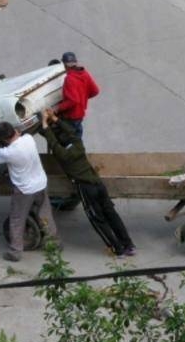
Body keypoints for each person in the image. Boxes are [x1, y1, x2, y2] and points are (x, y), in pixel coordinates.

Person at [39, 108, 136, 257]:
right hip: (98, 184)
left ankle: (117, 249)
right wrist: (55, 119)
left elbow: (52, 142)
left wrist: (44, 123)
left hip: (85, 188)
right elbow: (71, 133)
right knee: (111, 214)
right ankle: (128, 244)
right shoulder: (78, 145)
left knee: (97, 219)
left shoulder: (62, 154)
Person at [0, 122, 59, 261]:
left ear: (4, 139)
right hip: (41, 183)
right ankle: (54, 242)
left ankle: (16, 251)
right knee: (45, 213)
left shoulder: (9, 153)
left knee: (17, 219)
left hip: (25, 190)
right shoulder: (29, 139)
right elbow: (20, 132)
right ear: (15, 132)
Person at [55, 51, 99, 139]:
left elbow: (73, 100)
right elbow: (95, 91)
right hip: (80, 114)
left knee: (68, 141)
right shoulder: (84, 73)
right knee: (77, 138)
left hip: (71, 116)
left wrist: (58, 108)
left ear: (64, 64)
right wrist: (83, 98)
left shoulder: (69, 79)